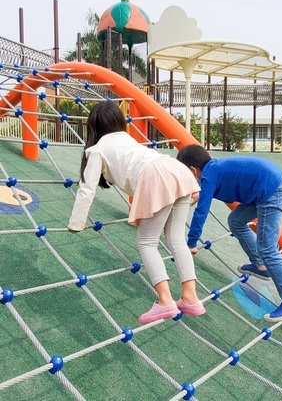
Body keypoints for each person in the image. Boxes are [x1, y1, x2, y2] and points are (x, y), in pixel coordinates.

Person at [67, 101, 205, 324]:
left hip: (157, 175)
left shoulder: (97, 148)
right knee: (176, 238)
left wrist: (76, 223)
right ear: (120, 122)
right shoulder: (127, 139)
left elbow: (87, 188)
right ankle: (190, 297)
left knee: (147, 242)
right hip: (177, 170)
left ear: (93, 127)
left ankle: (165, 300)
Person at [176, 145, 282, 323]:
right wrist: (200, 194)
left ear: (193, 170)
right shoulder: (213, 169)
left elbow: (201, 212)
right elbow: (218, 186)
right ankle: (260, 265)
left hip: (271, 190)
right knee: (236, 221)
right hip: (266, 187)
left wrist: (191, 242)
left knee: (267, 248)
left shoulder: (208, 176)